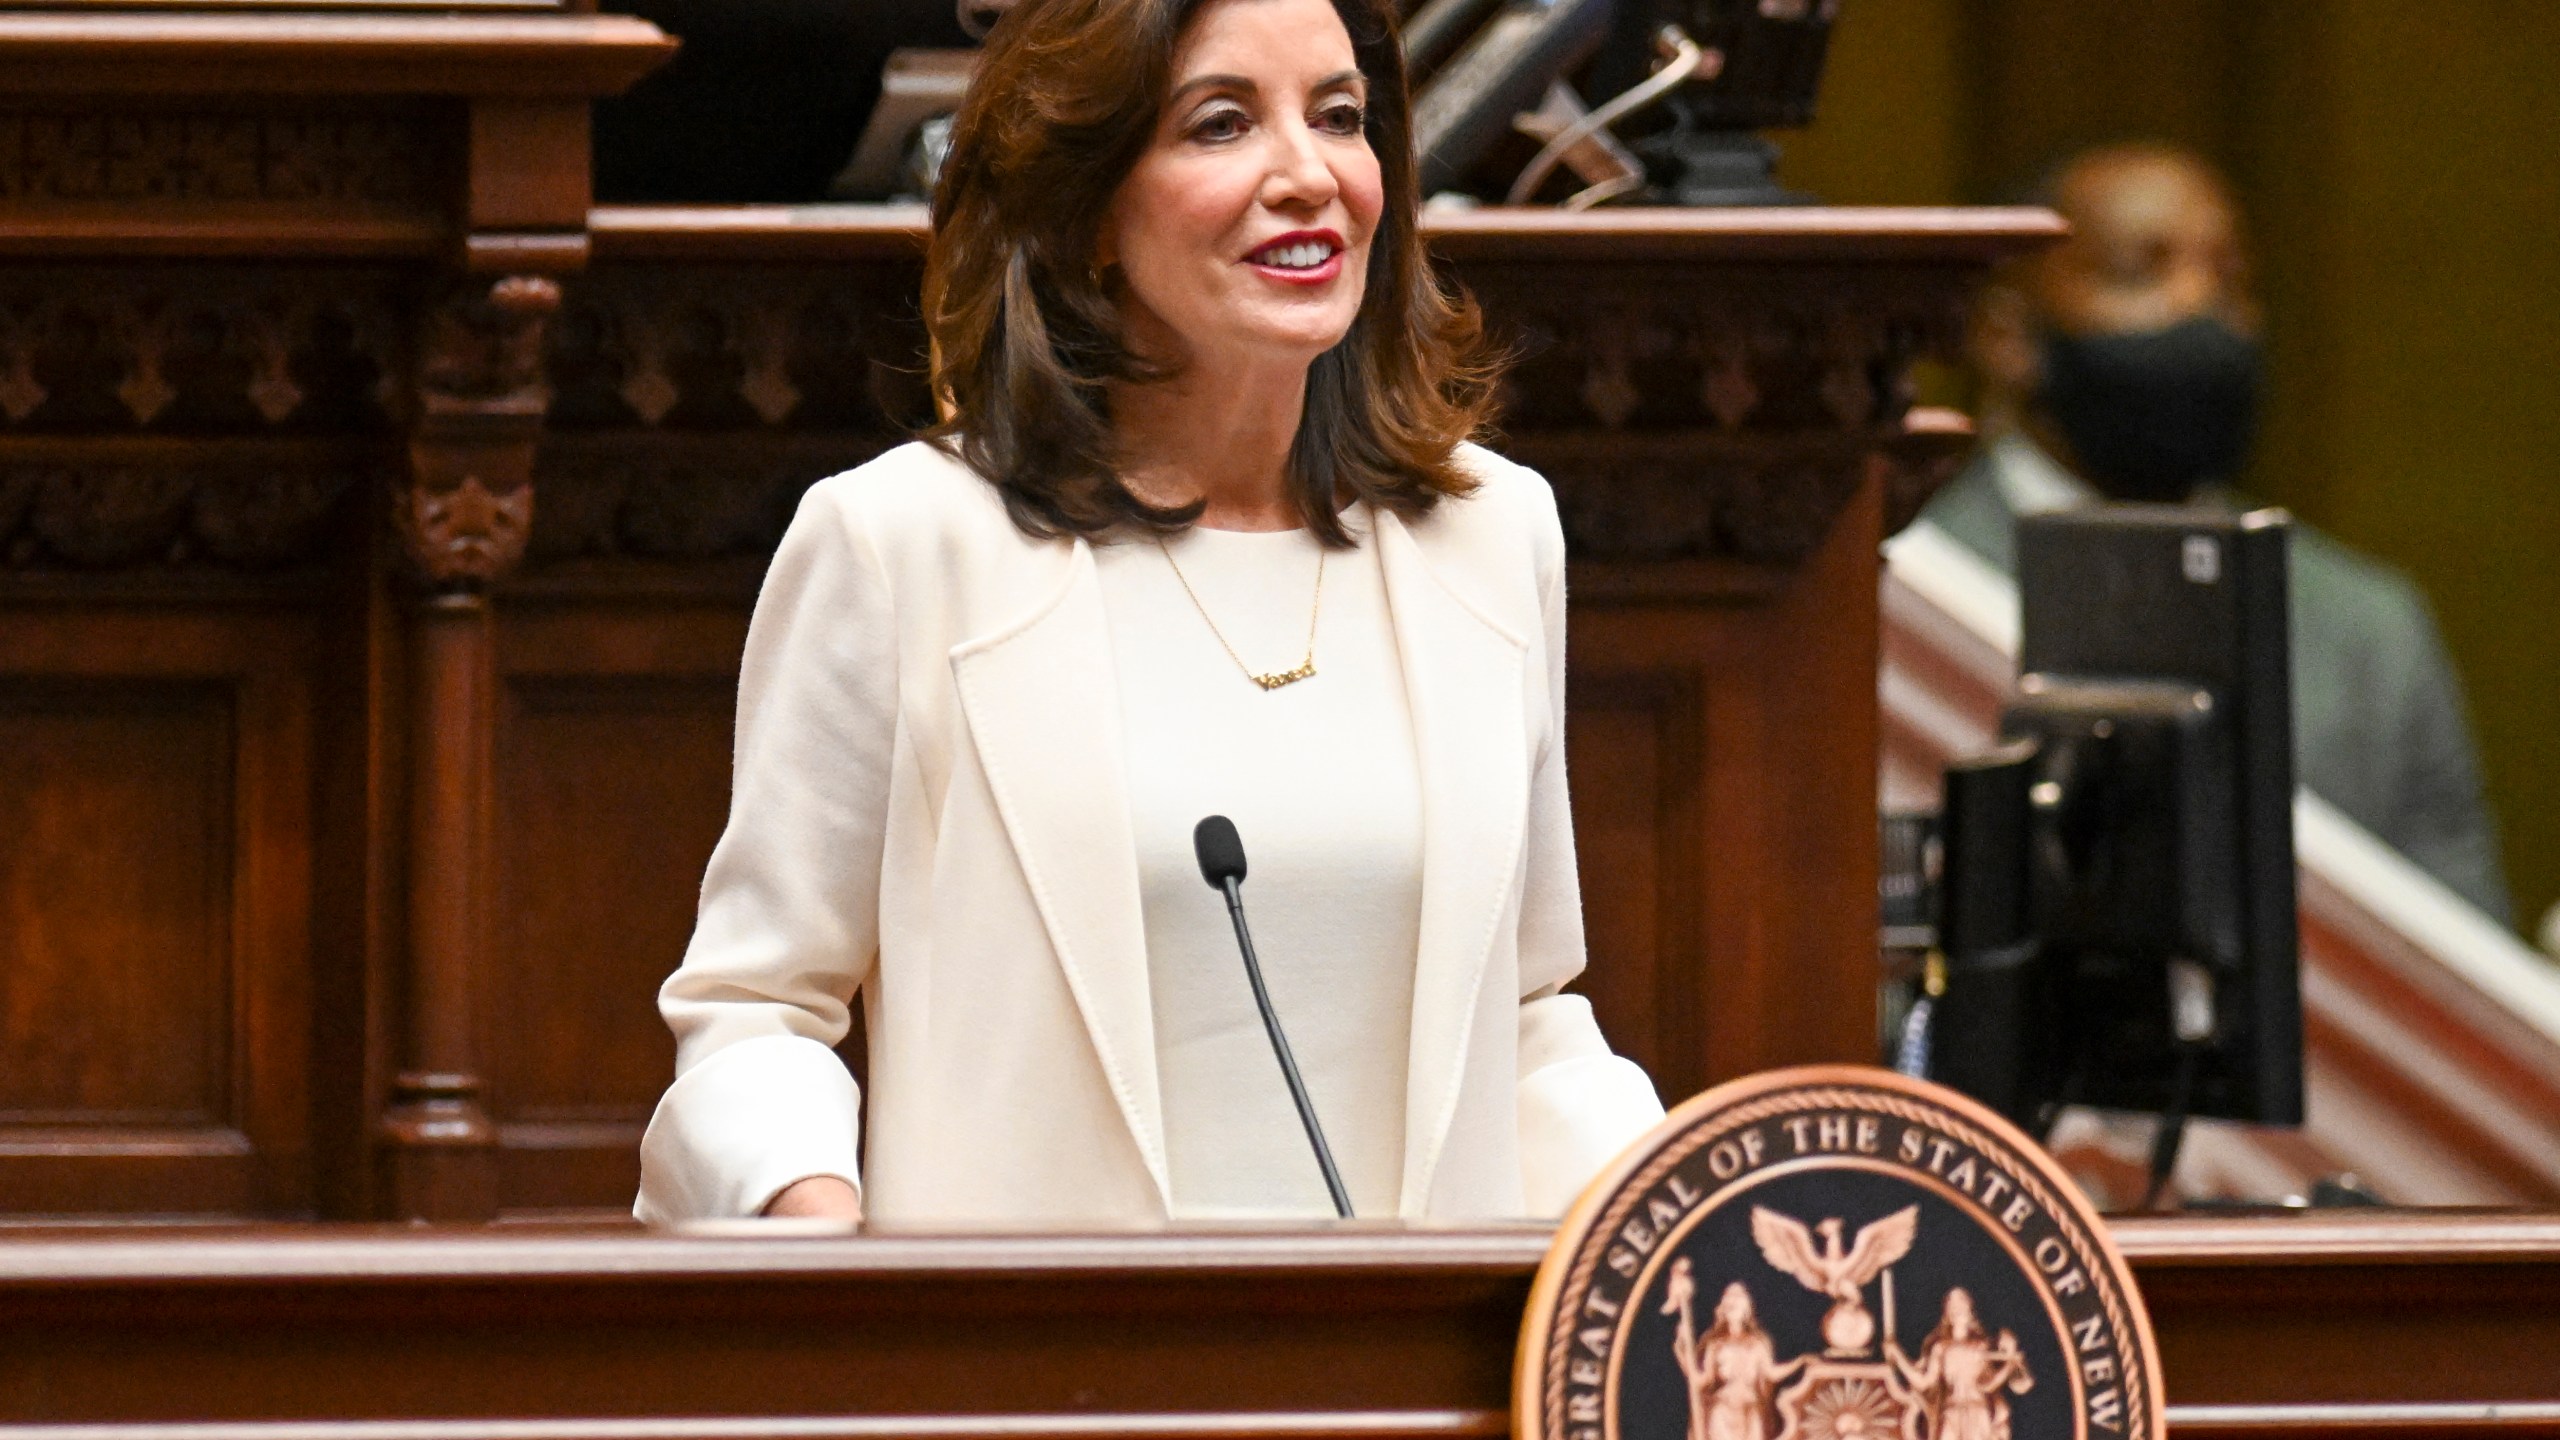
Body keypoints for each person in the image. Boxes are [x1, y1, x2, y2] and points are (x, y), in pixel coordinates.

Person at [633, 0, 1665, 1227]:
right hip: (1037, 1381)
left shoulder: (1491, 533)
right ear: (1085, 211)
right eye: (1221, 123)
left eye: (1340, 117)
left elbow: (1528, 1016)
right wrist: (829, 1247)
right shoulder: (904, 542)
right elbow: (757, 1016)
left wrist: (1682, 1233)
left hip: (1411, 1385)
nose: (1308, 175)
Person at [1919, 142, 2514, 924]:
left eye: (2230, 279)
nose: (2199, 308)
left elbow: (2465, 963)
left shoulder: (2369, 629)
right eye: (2140, 273)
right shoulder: (1906, 588)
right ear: (2006, 336)